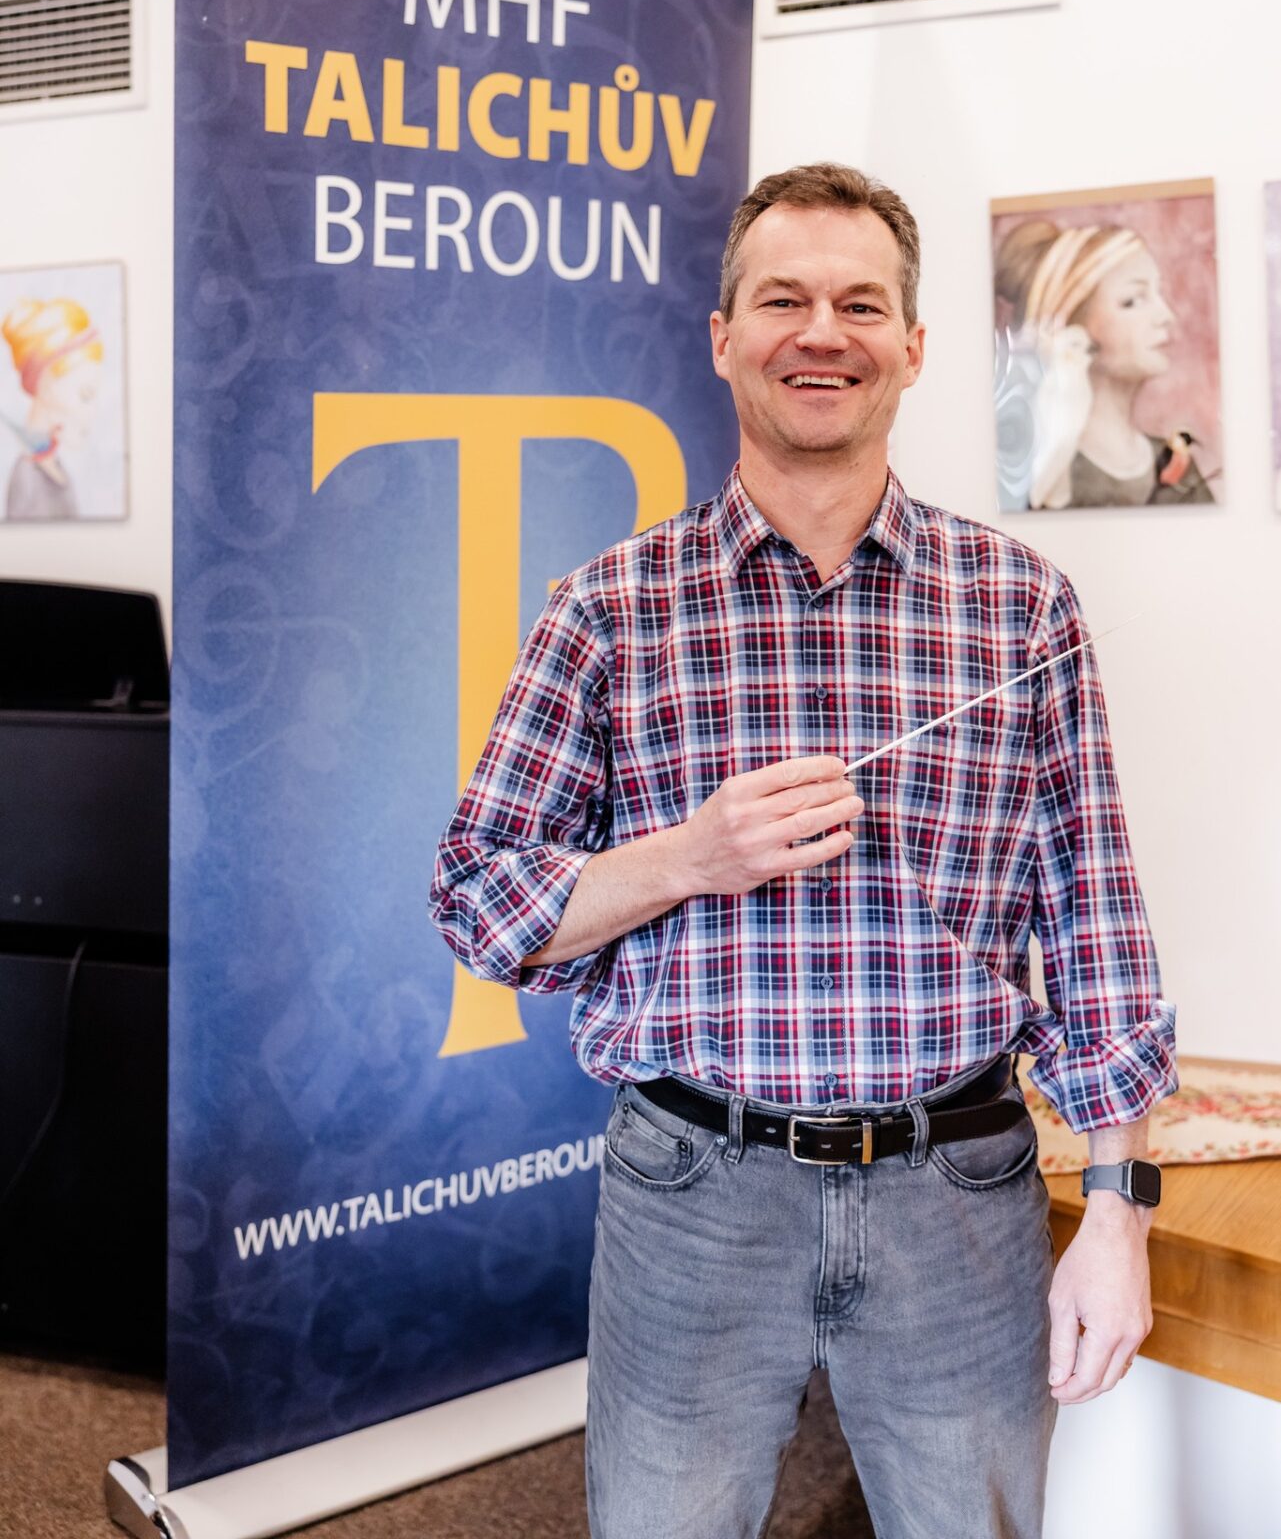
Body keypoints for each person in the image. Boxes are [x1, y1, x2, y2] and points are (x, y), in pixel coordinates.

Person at [430, 163, 1177, 1539]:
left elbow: (1097, 926)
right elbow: (481, 905)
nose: (821, 332)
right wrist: (688, 857)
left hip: (961, 1194)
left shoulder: (1021, 611)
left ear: (914, 346)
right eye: (782, 300)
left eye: (859, 304)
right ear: (724, 339)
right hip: (692, 1193)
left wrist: (1120, 1209)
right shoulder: (608, 611)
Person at [994, 218, 1214, 508]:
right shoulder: (1042, 472)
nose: (1165, 316)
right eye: (1132, 300)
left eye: (1157, 294)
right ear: (1072, 327)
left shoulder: (1175, 465)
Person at [1, 294, 103, 520]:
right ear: (46, 386)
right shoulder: (27, 480)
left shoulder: (56, 467)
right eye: (85, 395)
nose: (92, 413)